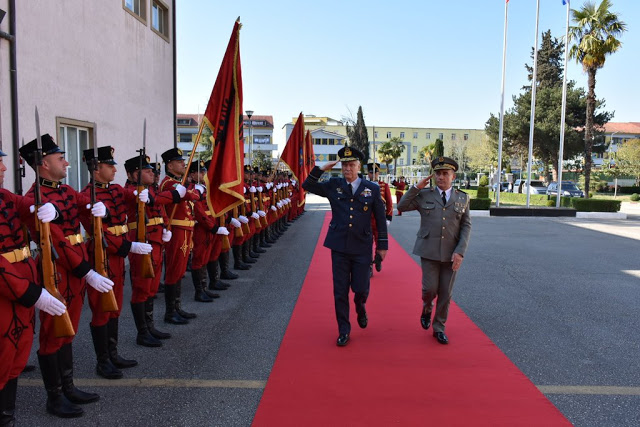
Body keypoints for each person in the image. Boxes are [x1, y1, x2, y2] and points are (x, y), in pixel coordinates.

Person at [20, 134, 114, 418]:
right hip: (57, 272)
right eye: (61, 159)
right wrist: (87, 273)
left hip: (76, 269)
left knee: (68, 327)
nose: (67, 162)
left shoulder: (66, 191)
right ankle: (55, 397)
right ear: (44, 163)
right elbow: (58, 241)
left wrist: (101, 209)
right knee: (52, 332)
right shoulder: (32, 199)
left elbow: (87, 202)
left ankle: (69, 387)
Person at [0, 148, 65, 425]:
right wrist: (31, 292)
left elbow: (26, 206)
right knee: (3, 355)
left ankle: (7, 414)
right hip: (8, 288)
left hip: (23, 281)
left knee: (18, 351)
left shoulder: (4, 196)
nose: (4, 169)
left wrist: (50, 210)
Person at [302, 146, 388, 347]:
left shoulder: (372, 189)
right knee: (340, 291)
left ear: (359, 166)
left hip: (361, 246)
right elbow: (307, 184)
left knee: (361, 289)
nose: (347, 168)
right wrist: (321, 169)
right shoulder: (334, 185)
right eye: (344, 165)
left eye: (351, 164)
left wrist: (382, 245)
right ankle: (344, 329)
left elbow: (381, 219)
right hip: (339, 246)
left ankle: (360, 306)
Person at [80, 146, 152, 379]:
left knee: (115, 307)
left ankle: (113, 354)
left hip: (118, 259)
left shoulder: (117, 190)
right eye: (109, 165)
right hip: (103, 256)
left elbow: (130, 196)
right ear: (96, 168)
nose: (114, 168)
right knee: (102, 309)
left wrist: (142, 194)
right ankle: (103, 361)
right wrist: (128, 247)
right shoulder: (87, 196)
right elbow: (98, 233)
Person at [397, 156, 471, 345]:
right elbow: (402, 206)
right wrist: (416, 188)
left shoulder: (462, 197)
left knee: (446, 293)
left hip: (451, 253)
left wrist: (460, 251)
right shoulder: (425, 195)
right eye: (438, 173)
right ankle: (427, 306)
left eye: (445, 173)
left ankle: (439, 327)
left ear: (453, 176)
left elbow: (466, 226)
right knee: (430, 289)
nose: (441, 177)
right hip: (428, 250)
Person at [160, 148, 203, 324]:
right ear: (170, 165)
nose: (183, 164)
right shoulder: (169, 183)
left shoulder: (178, 181)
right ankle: (170, 312)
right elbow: (191, 196)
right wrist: (198, 191)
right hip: (176, 231)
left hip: (185, 231)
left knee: (179, 270)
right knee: (173, 270)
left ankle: (177, 307)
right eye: (179, 162)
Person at [366, 163, 392, 274]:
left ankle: (378, 259)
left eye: (375, 172)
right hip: (366, 218)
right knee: (367, 243)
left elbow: (389, 203)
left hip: (379, 219)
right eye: (371, 172)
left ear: (378, 173)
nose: (373, 174)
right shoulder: (364, 185)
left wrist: (388, 218)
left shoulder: (384, 185)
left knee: (380, 242)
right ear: (368, 173)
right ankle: (369, 267)